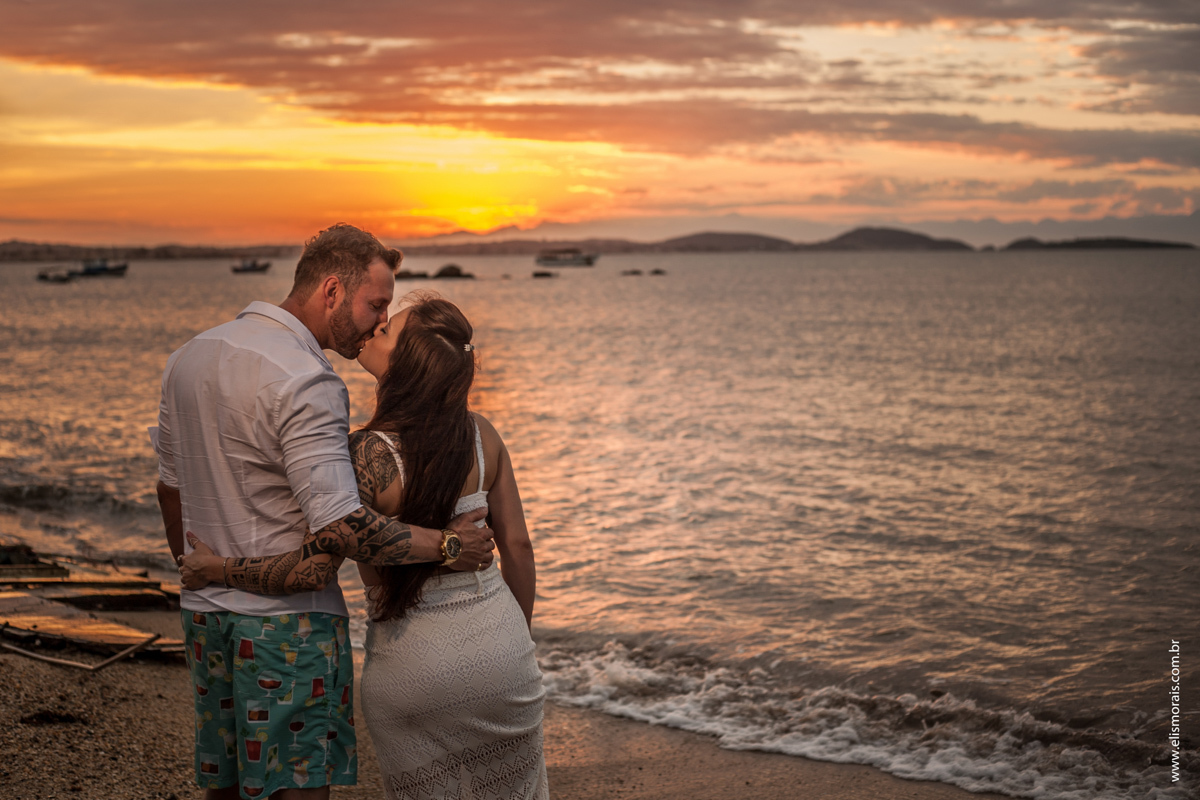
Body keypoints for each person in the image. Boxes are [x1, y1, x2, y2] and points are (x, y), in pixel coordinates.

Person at [155, 225, 496, 800]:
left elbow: (170, 488)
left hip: (205, 618)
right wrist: (448, 546)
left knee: (226, 788)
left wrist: (198, 572)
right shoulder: (307, 378)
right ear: (332, 291)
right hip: (290, 628)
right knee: (298, 790)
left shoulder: (189, 357)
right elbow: (342, 524)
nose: (379, 322)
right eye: (376, 304)